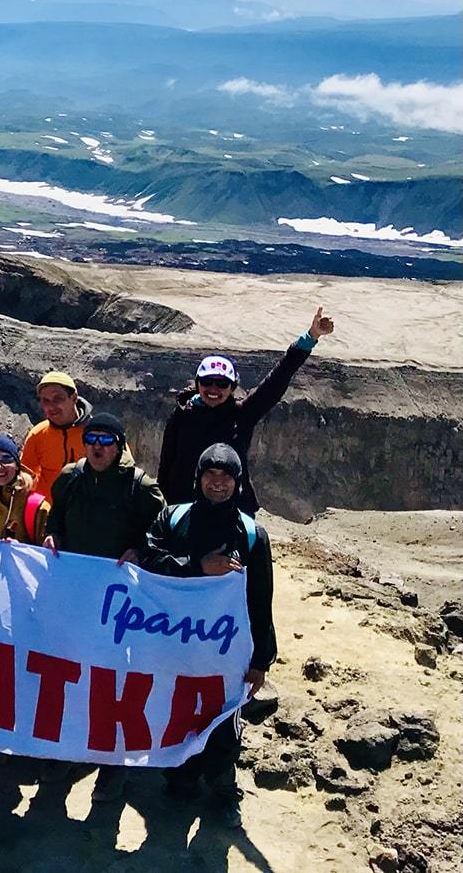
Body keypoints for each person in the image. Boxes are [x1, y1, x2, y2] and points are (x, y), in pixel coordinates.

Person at [142, 443, 276, 826]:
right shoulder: (173, 519)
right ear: (198, 478)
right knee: (176, 713)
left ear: (238, 483)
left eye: (226, 477)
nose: (217, 484)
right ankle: (180, 778)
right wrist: (196, 567)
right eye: (210, 476)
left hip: (226, 652)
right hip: (174, 643)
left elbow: (261, 600)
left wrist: (260, 660)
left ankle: (222, 787)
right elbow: (148, 562)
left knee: (223, 722)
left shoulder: (252, 535)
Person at [42, 412, 165, 803]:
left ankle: (113, 765)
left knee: (116, 679)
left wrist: (140, 550)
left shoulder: (140, 487)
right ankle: (75, 750)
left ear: (119, 445)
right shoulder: (70, 479)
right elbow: (55, 517)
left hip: (122, 603)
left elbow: (160, 532)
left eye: (106, 440)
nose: (97, 446)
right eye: (91, 438)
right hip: (77, 596)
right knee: (76, 672)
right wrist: (51, 536)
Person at [157, 307, 335, 513]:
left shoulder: (242, 415)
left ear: (232, 388)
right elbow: (166, 466)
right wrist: (161, 511)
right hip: (184, 510)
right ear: (198, 384)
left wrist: (310, 337)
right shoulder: (181, 414)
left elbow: (277, 381)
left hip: (233, 511)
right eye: (207, 382)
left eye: (222, 384)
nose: (214, 389)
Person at [21, 370, 95, 503]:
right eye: (45, 401)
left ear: (73, 397)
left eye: (57, 399)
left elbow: (123, 470)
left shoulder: (98, 432)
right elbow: (25, 478)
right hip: (48, 515)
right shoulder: (37, 435)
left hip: (87, 514)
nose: (51, 407)